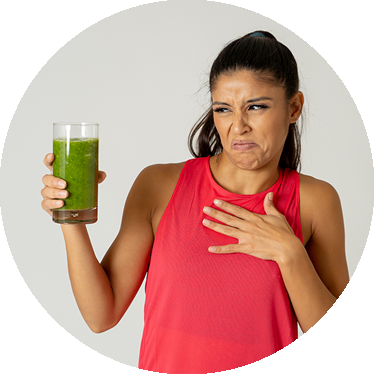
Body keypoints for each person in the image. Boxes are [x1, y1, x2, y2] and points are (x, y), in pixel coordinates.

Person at [41, 31, 350, 373]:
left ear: (293, 108)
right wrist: (70, 218)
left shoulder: (316, 201)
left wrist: (288, 251)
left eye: (257, 106)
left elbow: (331, 341)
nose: (238, 126)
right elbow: (101, 315)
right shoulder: (159, 186)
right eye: (223, 109)